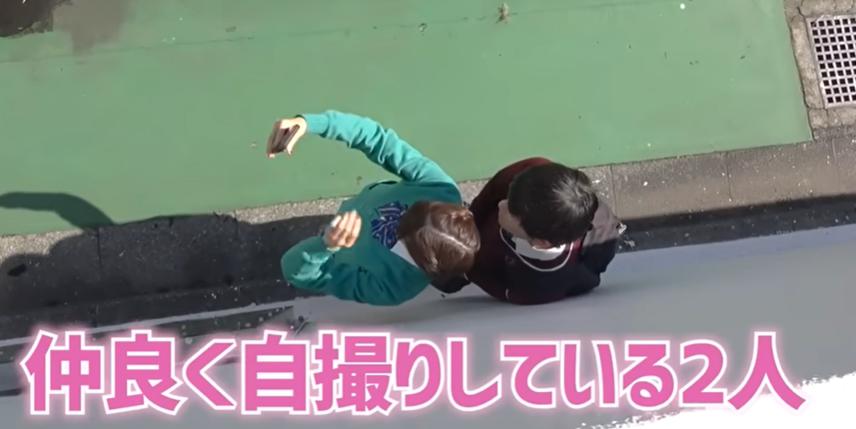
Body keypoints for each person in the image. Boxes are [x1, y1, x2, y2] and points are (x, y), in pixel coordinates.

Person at [269, 110, 480, 306]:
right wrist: (310, 123)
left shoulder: (393, 288)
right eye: (411, 209)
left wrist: (325, 246)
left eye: (399, 229)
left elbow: (295, 271)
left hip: (332, 248)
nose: (401, 216)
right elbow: (378, 140)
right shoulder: (440, 189)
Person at [435, 158, 623, 305]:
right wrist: (470, 218)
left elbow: (499, 288)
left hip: (493, 262)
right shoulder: (535, 171)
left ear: (540, 243)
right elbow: (496, 187)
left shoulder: (537, 286)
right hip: (499, 237)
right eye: (510, 196)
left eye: (512, 212)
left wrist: (467, 268)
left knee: (446, 271)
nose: (501, 204)